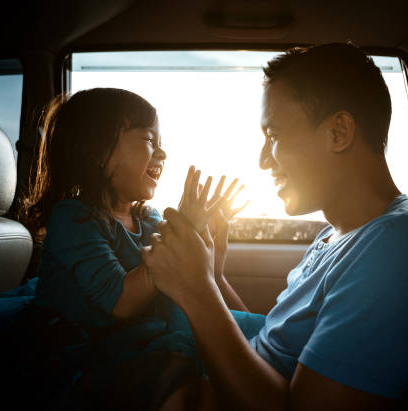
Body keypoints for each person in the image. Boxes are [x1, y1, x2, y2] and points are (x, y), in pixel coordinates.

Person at [143, 43, 408, 410]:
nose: (263, 160)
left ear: (338, 132)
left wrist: (196, 292)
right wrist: (213, 277)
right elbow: (275, 345)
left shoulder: (401, 249)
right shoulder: (337, 235)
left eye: (275, 136)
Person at [16, 87, 262, 411]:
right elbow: (122, 302)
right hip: (87, 354)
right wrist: (181, 232)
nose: (162, 154)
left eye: (161, 145)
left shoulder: (149, 218)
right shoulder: (73, 218)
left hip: (144, 343)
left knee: (263, 339)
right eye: (149, 141)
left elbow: (194, 289)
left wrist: (200, 240)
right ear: (97, 152)